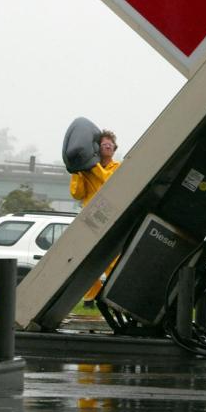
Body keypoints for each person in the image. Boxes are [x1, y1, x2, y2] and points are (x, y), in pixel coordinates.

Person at [70, 130, 120, 306]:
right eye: (103, 142)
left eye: (110, 143)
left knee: (112, 260)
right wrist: (78, 172)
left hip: (109, 218)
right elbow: (77, 194)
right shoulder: (87, 169)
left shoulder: (118, 168)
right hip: (89, 220)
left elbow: (108, 181)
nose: (107, 144)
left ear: (114, 148)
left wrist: (92, 166)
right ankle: (92, 295)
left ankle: (117, 295)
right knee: (86, 259)